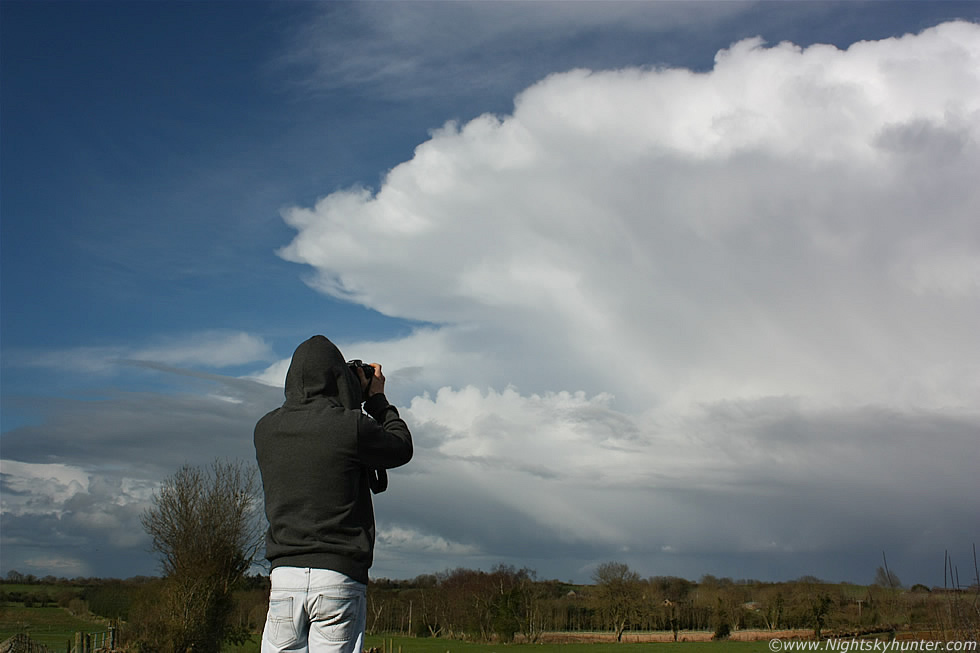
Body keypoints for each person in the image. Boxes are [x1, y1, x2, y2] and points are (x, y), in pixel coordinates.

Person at [254, 335, 413, 653]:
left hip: (284, 577)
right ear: (338, 378)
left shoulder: (265, 429)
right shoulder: (350, 427)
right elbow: (401, 447)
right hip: (338, 575)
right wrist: (376, 399)